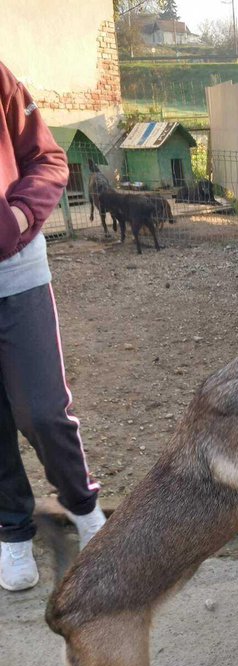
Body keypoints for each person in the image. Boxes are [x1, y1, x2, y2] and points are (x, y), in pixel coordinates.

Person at [0, 61, 106, 592]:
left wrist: (17, 218)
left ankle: (84, 508)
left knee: (42, 411)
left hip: (15, 272)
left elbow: (47, 158)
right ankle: (13, 533)